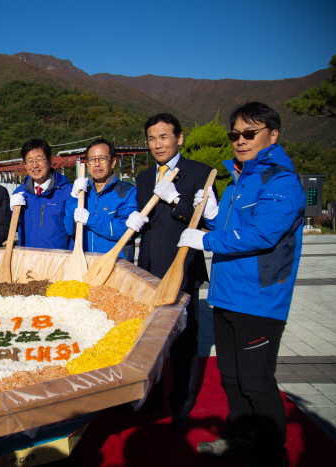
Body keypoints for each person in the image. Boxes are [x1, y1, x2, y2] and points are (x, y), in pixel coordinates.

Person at [179, 102, 305, 467]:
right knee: (231, 378)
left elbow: (263, 234)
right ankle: (237, 440)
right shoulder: (239, 180)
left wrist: (207, 241)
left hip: (260, 300)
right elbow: (227, 231)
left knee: (255, 382)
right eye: (235, 134)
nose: (240, 140)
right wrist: (210, 220)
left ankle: (269, 454)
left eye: (250, 133)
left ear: (273, 134)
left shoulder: (280, 180)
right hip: (227, 296)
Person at [127, 113, 214, 431]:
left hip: (182, 267)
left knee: (184, 341)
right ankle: (148, 397)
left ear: (180, 138)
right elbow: (146, 219)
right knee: (148, 338)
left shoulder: (200, 173)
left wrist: (176, 200)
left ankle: (182, 405)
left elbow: (204, 217)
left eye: (164, 137)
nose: (157, 144)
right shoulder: (144, 176)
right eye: (151, 138)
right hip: (148, 268)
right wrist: (135, 224)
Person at [64, 138, 138, 260]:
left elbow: (127, 231)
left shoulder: (127, 192)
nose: (97, 164)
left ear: (113, 162)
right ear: (87, 164)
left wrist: (90, 219)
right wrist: (73, 198)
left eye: (102, 158)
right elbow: (69, 228)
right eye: (92, 159)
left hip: (115, 265)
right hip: (84, 262)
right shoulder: (82, 192)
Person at [10, 139, 72, 249]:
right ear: (25, 164)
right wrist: (11, 211)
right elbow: (11, 229)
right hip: (27, 259)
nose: (34, 165)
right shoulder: (19, 193)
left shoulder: (67, 192)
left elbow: (75, 231)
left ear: (49, 160)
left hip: (58, 261)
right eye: (30, 161)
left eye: (39, 159)